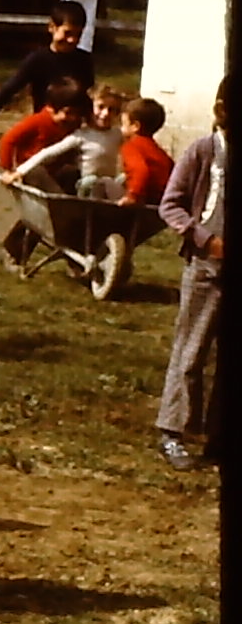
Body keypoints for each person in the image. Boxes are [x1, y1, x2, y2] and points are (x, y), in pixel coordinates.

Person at [155, 79, 225, 471]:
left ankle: (218, 435)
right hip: (207, 269)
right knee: (192, 351)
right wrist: (203, 238)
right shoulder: (204, 152)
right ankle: (173, 432)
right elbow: (172, 205)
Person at [0, 1, 95, 151]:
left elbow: (88, 97)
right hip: (45, 126)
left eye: (78, 35)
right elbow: (10, 89)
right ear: (52, 27)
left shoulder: (83, 60)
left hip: (74, 129)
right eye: (67, 33)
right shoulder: (38, 60)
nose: (73, 40)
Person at [0, 78, 86, 262]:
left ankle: (75, 247)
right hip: (31, 171)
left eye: (77, 114)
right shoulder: (37, 121)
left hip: (56, 174)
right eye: (68, 113)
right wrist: (7, 169)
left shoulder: (72, 125)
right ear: (51, 108)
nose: (73, 118)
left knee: (70, 179)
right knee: (50, 210)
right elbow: (8, 140)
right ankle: (13, 251)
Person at [23, 87, 127, 203]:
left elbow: (136, 146)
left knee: (123, 179)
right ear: (90, 108)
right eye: (101, 107)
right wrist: (20, 171)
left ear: (117, 113)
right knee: (91, 181)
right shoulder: (81, 135)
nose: (105, 114)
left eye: (111, 110)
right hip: (85, 185)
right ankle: (85, 211)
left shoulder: (117, 134)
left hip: (107, 184)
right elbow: (48, 153)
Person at [115, 97, 175, 209]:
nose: (120, 128)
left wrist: (132, 196)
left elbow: (141, 170)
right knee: (121, 179)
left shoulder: (132, 146)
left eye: (123, 124)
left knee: (102, 183)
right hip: (157, 201)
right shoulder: (158, 151)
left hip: (140, 200)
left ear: (135, 126)